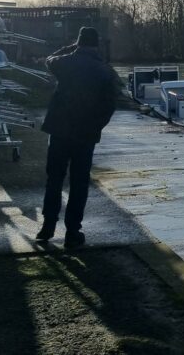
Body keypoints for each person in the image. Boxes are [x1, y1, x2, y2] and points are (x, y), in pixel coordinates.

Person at [36, 27, 117, 249]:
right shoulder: (104, 70)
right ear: (96, 45)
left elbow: (49, 59)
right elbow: (110, 105)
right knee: (79, 183)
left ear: (79, 42)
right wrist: (96, 126)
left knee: (54, 179)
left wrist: (70, 48)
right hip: (86, 135)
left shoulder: (64, 63)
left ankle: (48, 226)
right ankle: (73, 231)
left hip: (59, 131)